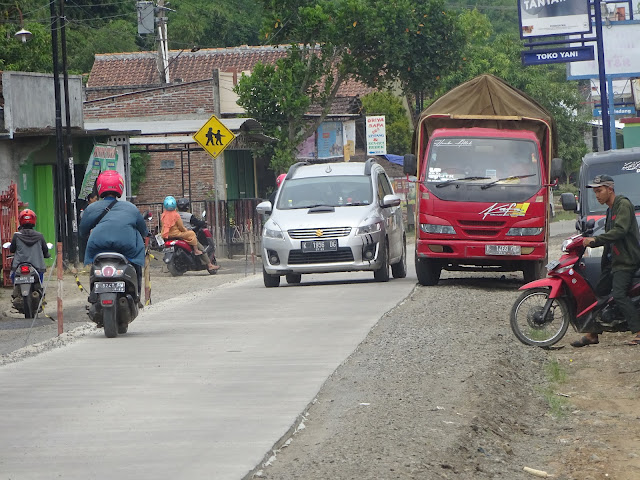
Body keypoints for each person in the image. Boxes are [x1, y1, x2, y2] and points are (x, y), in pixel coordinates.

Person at [571, 174, 640, 347]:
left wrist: (596, 240)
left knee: (618, 294)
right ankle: (592, 334)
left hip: (626, 261)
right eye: (595, 191)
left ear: (610, 189)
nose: (597, 195)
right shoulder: (610, 210)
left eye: (599, 190)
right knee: (597, 294)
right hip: (612, 261)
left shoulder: (623, 205)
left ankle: (638, 331)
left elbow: (620, 231)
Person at [79, 170, 148, 299]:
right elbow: (143, 231)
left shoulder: (91, 208)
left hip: (98, 247)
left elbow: (82, 231)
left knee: (95, 268)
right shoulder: (131, 208)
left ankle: (94, 294)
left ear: (99, 187)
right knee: (136, 266)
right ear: (120, 186)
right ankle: (136, 295)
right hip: (126, 248)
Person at [161, 196, 218, 272]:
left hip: (166, 235)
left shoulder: (163, 215)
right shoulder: (177, 215)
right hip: (177, 234)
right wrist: (185, 231)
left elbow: (163, 226)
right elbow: (181, 226)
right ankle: (205, 261)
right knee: (192, 234)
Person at [9, 209, 50, 287]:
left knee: (12, 275)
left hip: (19, 265)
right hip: (37, 266)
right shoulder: (39, 236)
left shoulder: (16, 236)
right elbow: (45, 250)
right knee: (40, 282)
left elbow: (12, 250)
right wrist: (47, 254)